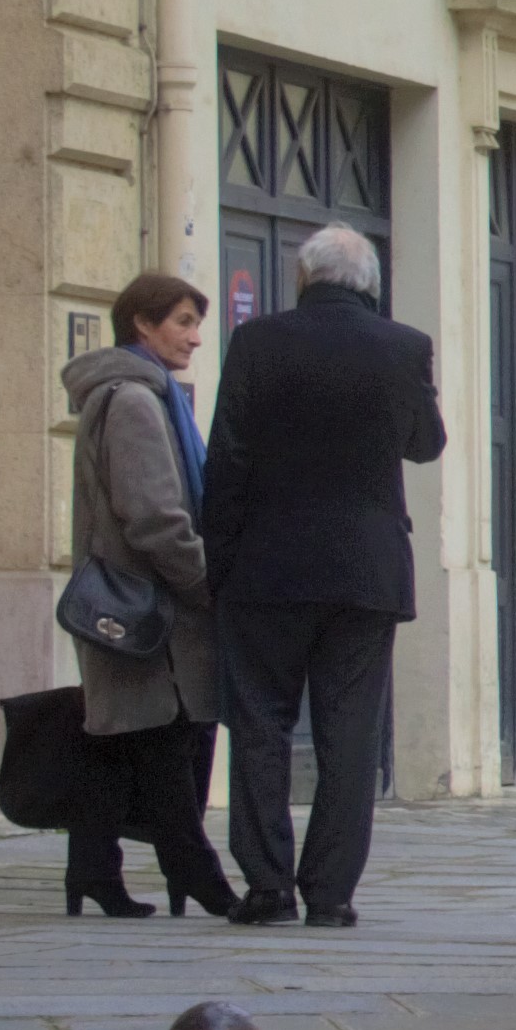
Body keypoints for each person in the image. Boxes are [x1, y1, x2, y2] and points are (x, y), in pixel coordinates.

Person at [198, 220, 445, 927]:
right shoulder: (404, 346)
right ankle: (332, 894)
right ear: (370, 284)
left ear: (303, 277)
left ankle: (268, 885)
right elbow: (426, 444)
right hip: (366, 571)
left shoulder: (256, 342)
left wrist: (219, 562)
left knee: (260, 724)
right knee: (350, 733)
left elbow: (228, 459)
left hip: (266, 566)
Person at [54, 275, 242, 920]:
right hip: (150, 608)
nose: (195, 338)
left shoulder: (141, 394)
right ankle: (195, 873)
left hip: (135, 604)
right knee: (165, 742)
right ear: (142, 322)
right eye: (183, 322)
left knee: (120, 742)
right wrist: (206, 584)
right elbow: (154, 516)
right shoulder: (135, 400)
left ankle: (93, 870)